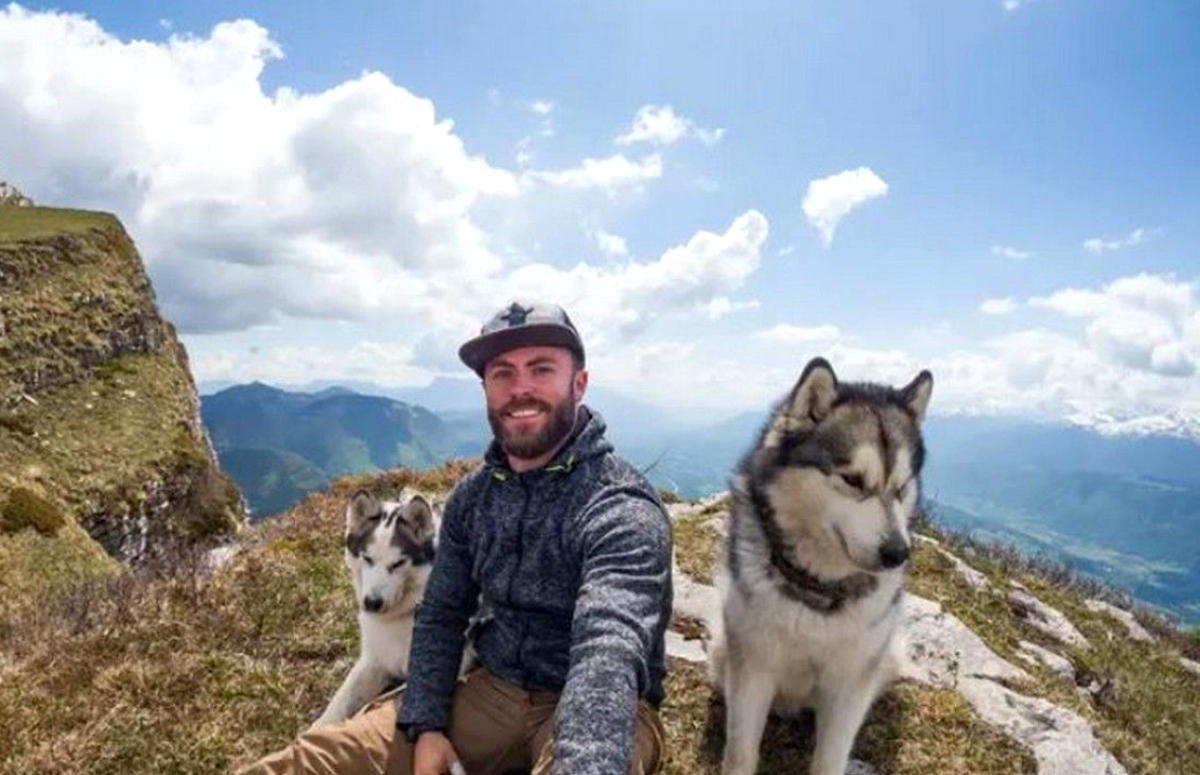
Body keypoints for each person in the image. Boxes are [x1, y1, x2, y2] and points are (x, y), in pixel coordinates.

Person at [241, 301, 673, 775]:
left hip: (607, 707)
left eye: (541, 369)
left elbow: (608, 650)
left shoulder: (620, 508)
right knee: (309, 764)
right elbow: (443, 614)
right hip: (493, 690)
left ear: (580, 383)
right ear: (486, 390)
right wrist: (426, 726)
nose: (520, 388)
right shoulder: (474, 497)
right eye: (502, 373)